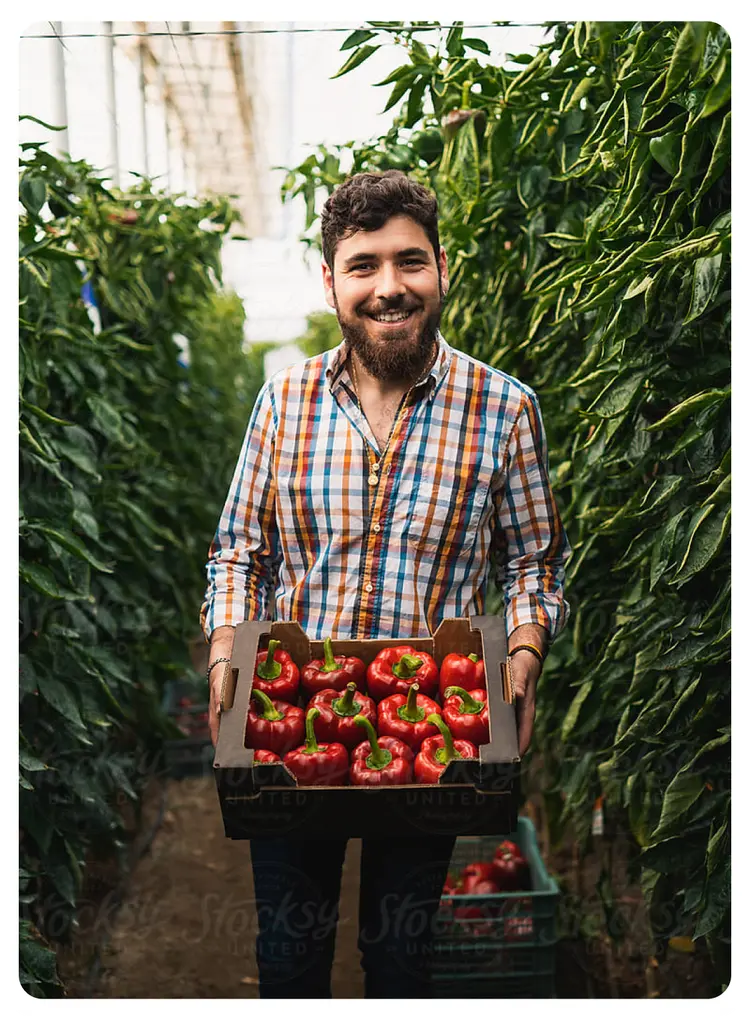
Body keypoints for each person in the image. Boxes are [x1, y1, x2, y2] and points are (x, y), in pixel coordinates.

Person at [199, 170, 571, 998]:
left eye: (410, 262)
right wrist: (229, 648)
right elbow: (239, 553)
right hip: (295, 720)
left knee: (401, 959)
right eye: (363, 265)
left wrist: (522, 649)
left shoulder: (502, 409)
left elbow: (533, 559)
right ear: (330, 280)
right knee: (289, 957)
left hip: (432, 722)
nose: (389, 287)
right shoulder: (283, 402)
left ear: (444, 268)